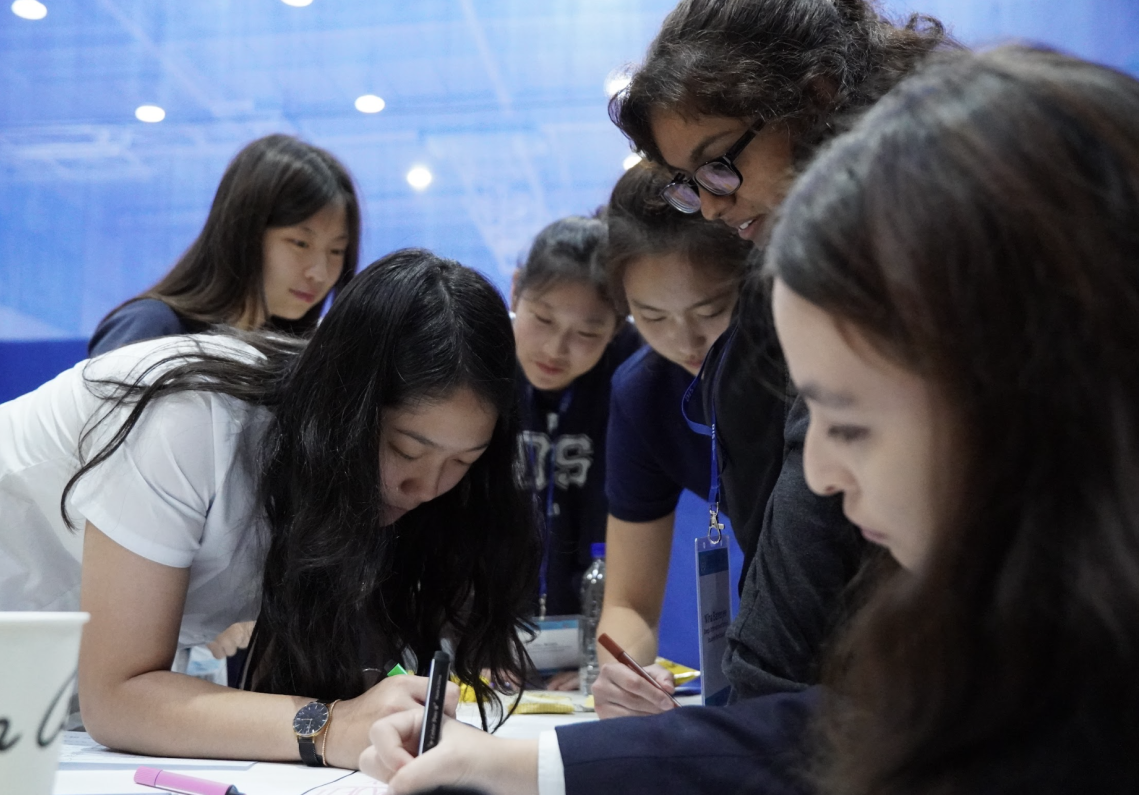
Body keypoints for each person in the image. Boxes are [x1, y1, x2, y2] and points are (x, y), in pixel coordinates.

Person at [358, 45, 1139, 795]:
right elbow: (844, 723)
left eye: (851, 420)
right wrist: (527, 766)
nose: (824, 472)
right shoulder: (1023, 621)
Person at [0, 248, 540, 770]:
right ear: (345, 412)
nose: (427, 486)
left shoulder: (359, 488)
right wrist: (333, 726)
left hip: (32, 691)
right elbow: (119, 695)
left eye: (463, 462)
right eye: (406, 449)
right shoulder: (189, 417)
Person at [593, 0, 952, 715]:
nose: (716, 207)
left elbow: (776, 674)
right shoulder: (661, 379)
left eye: (719, 167)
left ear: (816, 97)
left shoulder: (935, 221)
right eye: (687, 185)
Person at [589, 161, 752, 701]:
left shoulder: (801, 371)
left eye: (711, 309)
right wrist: (622, 673)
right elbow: (629, 603)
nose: (686, 342)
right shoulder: (642, 394)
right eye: (651, 317)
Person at [511, 216, 642, 687]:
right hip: (484, 648)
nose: (555, 348)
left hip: (586, 647)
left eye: (587, 333)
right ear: (514, 292)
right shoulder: (477, 365)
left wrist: (596, 656)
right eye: (542, 319)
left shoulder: (632, 379)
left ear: (617, 328)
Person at [88, 134, 360, 357]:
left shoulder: (292, 358)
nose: (320, 273)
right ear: (243, 233)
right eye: (300, 243)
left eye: (336, 251)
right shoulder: (152, 328)